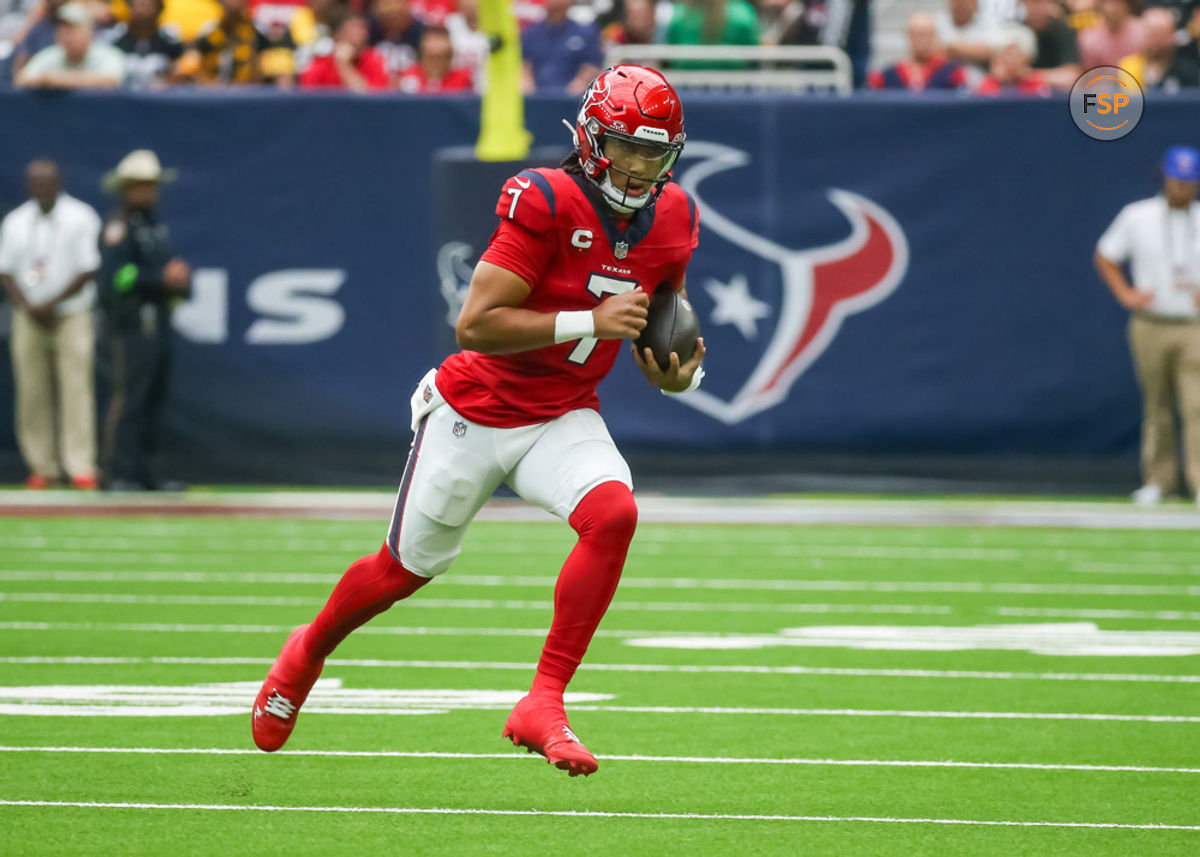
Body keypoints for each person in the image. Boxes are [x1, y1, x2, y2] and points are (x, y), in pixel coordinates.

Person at [251, 65, 705, 777]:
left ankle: (544, 700)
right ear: (591, 140)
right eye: (625, 149)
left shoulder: (674, 215)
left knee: (613, 512)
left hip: (562, 413)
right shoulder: (545, 197)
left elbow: (665, 320)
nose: (640, 168)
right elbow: (476, 324)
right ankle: (305, 650)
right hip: (478, 408)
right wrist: (588, 319)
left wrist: (679, 375)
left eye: (655, 154)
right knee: (401, 570)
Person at [1094, 146, 1200, 504]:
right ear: (1164, 178)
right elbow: (1106, 254)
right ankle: (1159, 481)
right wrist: (1125, 293)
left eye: (1189, 182)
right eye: (1177, 180)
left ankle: (1198, 481)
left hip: (1194, 325)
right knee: (1157, 406)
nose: (1183, 188)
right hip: (1150, 322)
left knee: (1196, 404)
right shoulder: (1138, 216)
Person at [0, 160, 101, 489]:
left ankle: (80, 465)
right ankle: (42, 466)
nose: (41, 188)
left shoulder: (81, 216)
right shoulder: (15, 222)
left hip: (70, 314)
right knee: (31, 391)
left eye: (47, 182)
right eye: (35, 183)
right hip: (28, 315)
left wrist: (51, 304)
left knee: (76, 389)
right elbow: (5, 271)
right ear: (28, 186)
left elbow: (88, 268)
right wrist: (29, 306)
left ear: (59, 182)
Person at [96, 150, 192, 492]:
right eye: (141, 186)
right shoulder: (119, 228)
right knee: (131, 397)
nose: (148, 192)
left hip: (159, 321)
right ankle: (118, 472)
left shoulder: (154, 226)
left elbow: (163, 273)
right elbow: (116, 279)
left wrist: (179, 280)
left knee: (155, 399)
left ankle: (149, 473)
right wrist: (158, 279)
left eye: (152, 185)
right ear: (126, 188)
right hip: (132, 323)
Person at [15, 2, 126, 88]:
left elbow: (111, 81)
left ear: (90, 33)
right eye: (63, 29)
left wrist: (59, 80)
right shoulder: (50, 54)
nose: (67, 35)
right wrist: (47, 80)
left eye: (73, 29)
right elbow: (21, 79)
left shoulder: (107, 54)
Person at [867, 11, 968, 90]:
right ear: (909, 35)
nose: (924, 40)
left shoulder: (951, 74)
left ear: (935, 36)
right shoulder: (890, 75)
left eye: (929, 34)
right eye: (919, 34)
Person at [521, 0, 603, 93]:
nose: (558, 4)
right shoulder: (531, 33)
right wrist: (526, 83)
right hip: (537, 96)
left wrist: (581, 81)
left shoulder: (585, 32)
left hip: (572, 98)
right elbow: (524, 66)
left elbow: (592, 66)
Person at [299, 12, 389, 90]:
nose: (362, 34)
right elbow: (308, 100)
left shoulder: (373, 59)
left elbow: (373, 100)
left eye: (363, 29)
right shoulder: (321, 64)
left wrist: (344, 66)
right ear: (337, 35)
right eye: (353, 29)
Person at [108, 0, 186, 89]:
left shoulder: (170, 39)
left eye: (148, 4)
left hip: (158, 99)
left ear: (159, 8)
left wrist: (168, 81)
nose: (142, 8)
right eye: (137, 4)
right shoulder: (114, 38)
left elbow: (181, 67)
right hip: (121, 98)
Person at [1121, 6, 1200, 88]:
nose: (1157, 41)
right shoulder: (1129, 67)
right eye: (1153, 35)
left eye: (1162, 35)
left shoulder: (1188, 72)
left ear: (1172, 36)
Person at [1023, 0, 1080, 91]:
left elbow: (1071, 75)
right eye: (1029, 2)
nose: (1035, 9)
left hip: (1056, 97)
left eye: (1039, 2)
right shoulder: (1014, 30)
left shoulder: (1064, 31)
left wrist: (1030, 76)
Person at [396, 23, 472, 91]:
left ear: (450, 58)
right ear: (422, 57)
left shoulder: (462, 80)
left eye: (442, 58)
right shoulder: (408, 76)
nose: (436, 64)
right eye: (431, 58)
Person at [1078, 0, 1145, 67]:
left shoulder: (1143, 30)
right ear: (1100, 6)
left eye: (1117, 3)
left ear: (1127, 5)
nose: (1112, 9)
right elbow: (1092, 73)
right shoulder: (1089, 38)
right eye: (1107, 3)